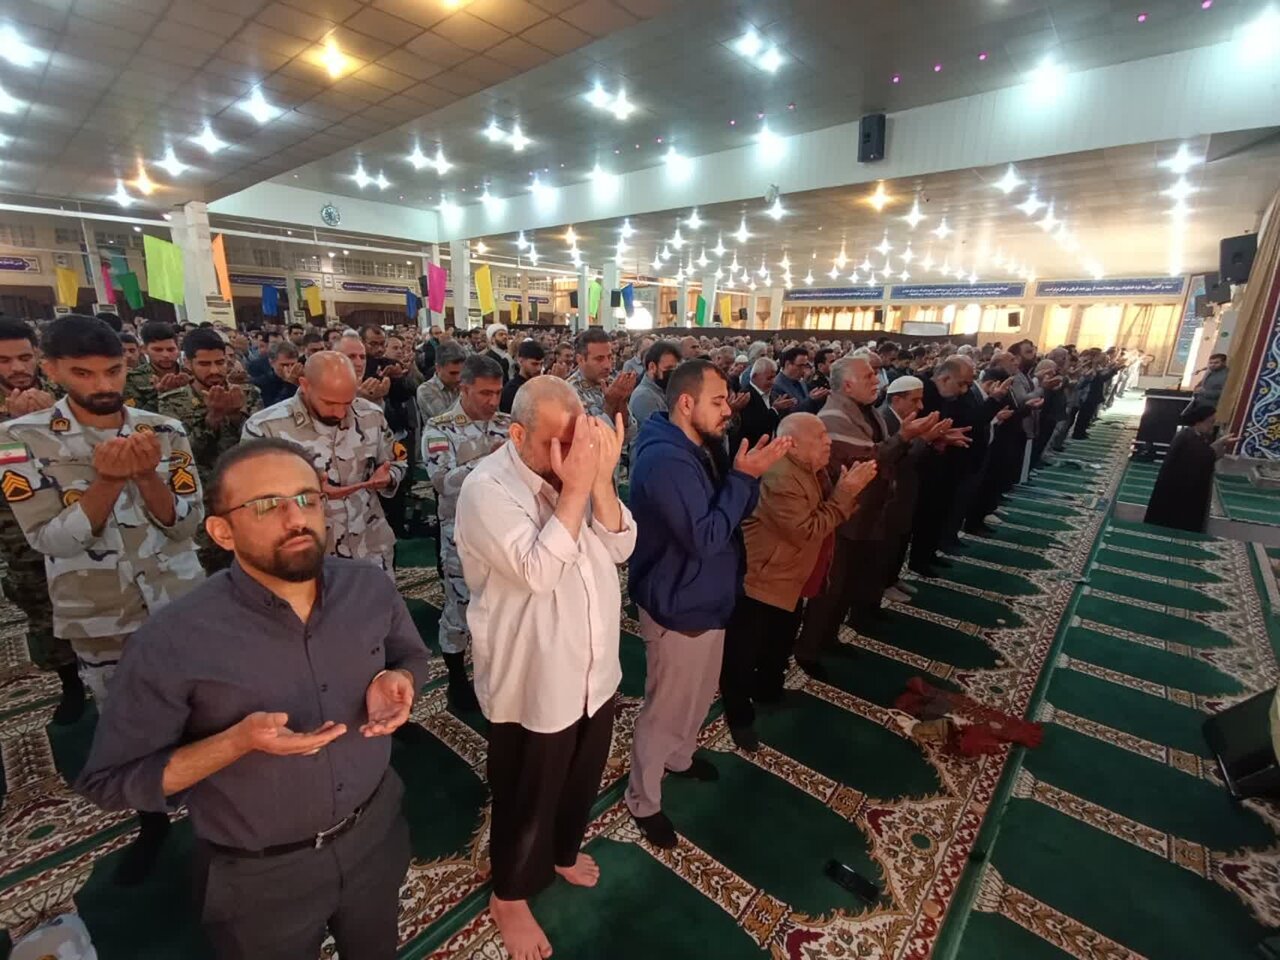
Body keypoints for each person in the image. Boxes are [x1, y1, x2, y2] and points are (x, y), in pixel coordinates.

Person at [77, 437, 431, 960]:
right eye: (267, 505)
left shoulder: (368, 588)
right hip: (260, 875)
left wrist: (398, 678)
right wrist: (234, 743)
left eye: (308, 498)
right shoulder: (174, 639)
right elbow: (109, 782)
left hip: (375, 835)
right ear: (222, 531)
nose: (297, 518)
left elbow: (412, 656)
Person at [2, 314, 205, 883]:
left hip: (178, 600)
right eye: (83, 373)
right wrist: (109, 482)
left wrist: (146, 477)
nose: (102, 385)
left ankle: (217, 812)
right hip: (100, 612)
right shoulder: (20, 439)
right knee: (126, 723)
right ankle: (151, 822)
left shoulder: (163, 430)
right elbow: (49, 538)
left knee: (203, 708)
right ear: (52, 370)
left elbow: (185, 524)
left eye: (113, 370)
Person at [454, 376, 635, 960]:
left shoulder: (579, 473)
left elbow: (621, 545)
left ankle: (560, 852)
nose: (569, 455)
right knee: (526, 793)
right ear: (517, 434)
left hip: (594, 668)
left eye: (577, 441)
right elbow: (538, 572)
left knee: (580, 778)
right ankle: (509, 895)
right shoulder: (486, 489)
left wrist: (599, 481)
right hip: (535, 676)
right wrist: (577, 488)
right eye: (557, 443)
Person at [626, 359, 792, 848]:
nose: (727, 410)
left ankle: (680, 758)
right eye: (718, 401)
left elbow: (733, 513)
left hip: (708, 594)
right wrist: (743, 478)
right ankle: (643, 799)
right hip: (678, 601)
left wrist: (747, 477)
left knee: (698, 696)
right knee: (665, 708)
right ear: (686, 403)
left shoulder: (701, 444)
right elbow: (705, 537)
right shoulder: (666, 460)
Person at [722, 413, 876, 750]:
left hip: (789, 575)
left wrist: (841, 493)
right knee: (743, 653)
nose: (828, 441)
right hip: (762, 578)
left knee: (778, 642)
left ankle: (768, 691)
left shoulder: (809, 468)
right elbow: (806, 530)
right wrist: (844, 494)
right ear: (792, 444)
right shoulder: (780, 476)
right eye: (819, 437)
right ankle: (739, 715)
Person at [796, 357, 948, 670]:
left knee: (850, 583)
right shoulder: (834, 416)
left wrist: (913, 439)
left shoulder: (868, 412)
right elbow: (868, 459)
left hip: (866, 512)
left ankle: (829, 639)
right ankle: (808, 651)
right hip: (842, 517)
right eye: (868, 377)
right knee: (831, 588)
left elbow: (886, 456)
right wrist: (906, 437)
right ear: (847, 384)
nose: (876, 381)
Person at [243, 352, 406, 576]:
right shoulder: (265, 428)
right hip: (309, 556)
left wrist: (389, 477)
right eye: (329, 403)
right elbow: (250, 499)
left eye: (347, 402)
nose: (339, 412)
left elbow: (397, 461)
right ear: (305, 385)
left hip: (370, 547)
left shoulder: (371, 415)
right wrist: (305, 494)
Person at [0, 318, 81, 722]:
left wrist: (50, 423)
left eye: (24, 357)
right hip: (18, 531)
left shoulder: (64, 397)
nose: (17, 368)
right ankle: (71, 686)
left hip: (73, 516)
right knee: (44, 611)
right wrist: (11, 430)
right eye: (4, 360)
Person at [422, 355, 510, 710]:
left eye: (498, 393)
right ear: (464, 389)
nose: (493, 401)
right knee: (459, 609)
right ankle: (457, 679)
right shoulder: (440, 428)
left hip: (503, 533)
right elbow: (443, 482)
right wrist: (490, 460)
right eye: (485, 393)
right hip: (461, 534)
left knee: (503, 608)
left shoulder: (507, 424)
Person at [159, 328, 263, 573]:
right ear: (187, 363)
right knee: (209, 571)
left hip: (245, 495)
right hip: (202, 501)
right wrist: (212, 419)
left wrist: (236, 417)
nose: (215, 370)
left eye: (220, 362)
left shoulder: (247, 393)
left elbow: (258, 448)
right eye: (204, 364)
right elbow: (182, 456)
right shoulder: (172, 401)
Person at [1144, 403, 1237, 532]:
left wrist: (1220, 443)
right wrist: (1219, 448)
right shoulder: (1188, 438)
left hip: (1178, 489)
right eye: (1210, 422)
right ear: (1199, 422)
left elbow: (1203, 454)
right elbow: (1204, 457)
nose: (1212, 426)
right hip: (1177, 492)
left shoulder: (1192, 435)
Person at [568, 328, 636, 428]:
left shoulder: (612, 382)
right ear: (581, 359)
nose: (607, 365)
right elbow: (588, 434)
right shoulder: (569, 392)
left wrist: (621, 401)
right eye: (599, 359)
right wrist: (610, 405)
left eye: (609, 357)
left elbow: (630, 432)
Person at [124, 320, 188, 411]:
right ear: (144, 349)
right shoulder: (132, 379)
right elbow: (136, 415)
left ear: (178, 349)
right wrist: (160, 395)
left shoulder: (190, 375)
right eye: (158, 350)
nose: (166, 355)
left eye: (171, 349)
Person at [734, 357, 795, 449]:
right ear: (754, 376)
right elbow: (754, 428)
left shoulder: (774, 395)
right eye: (769, 378)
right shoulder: (745, 396)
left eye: (774, 377)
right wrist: (774, 410)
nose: (773, 382)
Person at [627, 339, 681, 433]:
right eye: (668, 368)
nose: (673, 373)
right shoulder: (644, 397)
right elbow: (661, 432)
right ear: (652, 367)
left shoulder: (663, 390)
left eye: (675, 368)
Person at [771, 346, 829, 414]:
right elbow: (789, 413)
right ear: (788, 364)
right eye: (800, 366)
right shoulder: (777, 386)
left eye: (805, 366)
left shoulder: (801, 381)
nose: (804, 370)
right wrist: (811, 400)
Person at [417, 340, 465, 420]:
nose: (458, 378)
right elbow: (444, 419)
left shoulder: (463, 384)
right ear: (438, 368)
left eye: (462, 372)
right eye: (453, 373)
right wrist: (465, 393)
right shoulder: (425, 390)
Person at [499, 339, 545, 414]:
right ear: (521, 361)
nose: (539, 368)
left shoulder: (539, 384)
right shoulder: (512, 390)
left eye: (541, 364)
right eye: (534, 364)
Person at [255, 340, 301, 407]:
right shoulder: (261, 384)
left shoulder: (302, 380)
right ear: (271, 363)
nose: (290, 369)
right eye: (284, 365)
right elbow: (271, 409)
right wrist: (290, 385)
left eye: (293, 364)